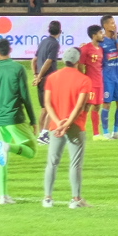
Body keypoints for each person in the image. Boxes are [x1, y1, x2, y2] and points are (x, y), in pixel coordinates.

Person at [0, 36, 37, 205]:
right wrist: (33, 119)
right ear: (11, 50)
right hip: (15, 117)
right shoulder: (18, 68)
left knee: (1, 159)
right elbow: (25, 95)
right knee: (31, 150)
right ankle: (9, 147)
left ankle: (2, 196)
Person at [41, 46, 92, 209]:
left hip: (56, 126)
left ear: (64, 60)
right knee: (75, 164)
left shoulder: (52, 78)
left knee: (52, 162)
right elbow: (79, 106)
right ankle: (75, 199)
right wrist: (68, 122)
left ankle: (48, 198)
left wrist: (58, 122)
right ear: (78, 61)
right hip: (75, 125)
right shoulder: (84, 80)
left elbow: (47, 103)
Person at [98, 14, 118, 141]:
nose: (114, 25)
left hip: (117, 77)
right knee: (107, 104)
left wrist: (116, 40)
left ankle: (115, 132)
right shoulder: (101, 40)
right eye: (111, 23)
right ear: (105, 26)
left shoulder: (117, 37)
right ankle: (105, 132)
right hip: (106, 77)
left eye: (114, 22)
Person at [77, 25, 106, 139]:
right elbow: (80, 65)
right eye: (100, 33)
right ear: (94, 36)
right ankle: (82, 130)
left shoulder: (101, 49)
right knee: (87, 106)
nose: (102, 35)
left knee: (97, 106)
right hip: (90, 83)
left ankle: (96, 134)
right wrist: (84, 79)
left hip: (99, 82)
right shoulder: (86, 49)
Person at [33, 20, 63, 125]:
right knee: (51, 107)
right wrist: (40, 76)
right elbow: (49, 61)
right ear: (60, 31)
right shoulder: (55, 44)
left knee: (44, 109)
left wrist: (36, 76)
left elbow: (34, 60)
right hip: (49, 79)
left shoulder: (43, 41)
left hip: (41, 80)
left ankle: (42, 134)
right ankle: (44, 133)